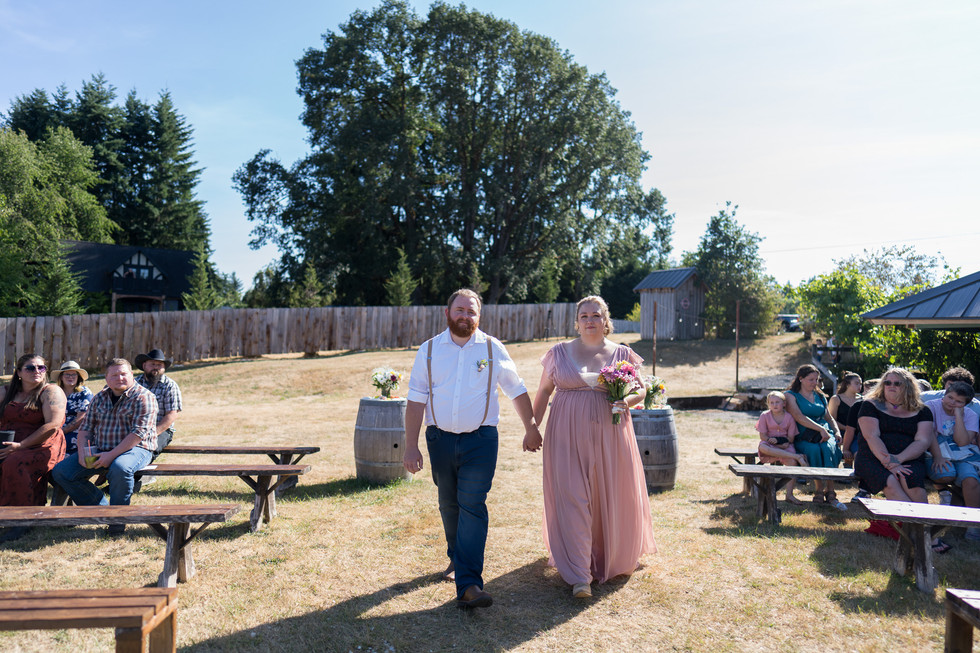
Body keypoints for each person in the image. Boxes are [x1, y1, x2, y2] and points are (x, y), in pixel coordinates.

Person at [402, 289, 541, 609]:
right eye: (460, 310)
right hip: (440, 440)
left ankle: (470, 584)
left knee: (472, 504)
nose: (466, 316)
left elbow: (516, 389)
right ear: (447, 313)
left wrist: (530, 427)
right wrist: (411, 446)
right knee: (449, 504)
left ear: (480, 317)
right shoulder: (429, 351)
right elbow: (416, 400)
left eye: (472, 312)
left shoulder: (492, 349)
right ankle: (456, 556)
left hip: (481, 441)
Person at [531, 296, 656, 599]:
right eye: (584, 316)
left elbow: (642, 387)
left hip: (611, 435)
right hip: (564, 435)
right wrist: (531, 428)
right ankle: (579, 575)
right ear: (577, 321)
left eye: (596, 316)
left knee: (607, 496)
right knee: (572, 496)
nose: (590, 321)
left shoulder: (621, 352)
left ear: (605, 320)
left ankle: (607, 555)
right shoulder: (558, 353)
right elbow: (544, 391)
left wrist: (625, 401)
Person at [51, 358, 158, 535]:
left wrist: (111, 455)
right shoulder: (99, 397)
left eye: (124, 374)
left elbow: (138, 434)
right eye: (114, 374)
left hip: (137, 449)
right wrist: (81, 452)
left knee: (120, 468)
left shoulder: (144, 396)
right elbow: (85, 428)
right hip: (101, 447)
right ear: (106, 378)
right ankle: (103, 510)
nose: (120, 378)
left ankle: (117, 522)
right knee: (62, 472)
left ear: (131, 375)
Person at [854, 368, 939, 548]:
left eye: (897, 383)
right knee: (891, 481)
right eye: (887, 382)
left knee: (913, 482)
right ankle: (924, 534)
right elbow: (872, 437)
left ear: (908, 387)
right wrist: (890, 463)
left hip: (909, 457)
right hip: (872, 456)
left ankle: (921, 531)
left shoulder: (922, 410)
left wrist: (898, 460)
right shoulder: (870, 405)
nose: (891, 386)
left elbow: (923, 440)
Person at [0, 354, 67, 542]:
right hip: (8, 442)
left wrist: (21, 445)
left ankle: (22, 519)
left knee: (14, 462)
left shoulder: (50, 392)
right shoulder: (6, 392)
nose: (37, 371)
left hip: (42, 443)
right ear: (19, 372)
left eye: (41, 368)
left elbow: (53, 425)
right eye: (30, 368)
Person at [785, 364, 846, 510]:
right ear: (800, 379)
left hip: (824, 433)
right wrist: (820, 430)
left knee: (829, 447)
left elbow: (830, 418)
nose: (814, 383)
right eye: (810, 379)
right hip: (804, 434)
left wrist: (836, 432)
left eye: (816, 379)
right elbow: (799, 417)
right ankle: (819, 488)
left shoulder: (819, 396)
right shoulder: (791, 395)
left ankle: (830, 489)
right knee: (813, 450)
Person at [924, 381, 980, 540]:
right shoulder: (930, 407)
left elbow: (962, 442)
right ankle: (955, 503)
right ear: (945, 394)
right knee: (947, 473)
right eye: (950, 397)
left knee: (971, 480)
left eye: (958, 401)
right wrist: (938, 456)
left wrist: (958, 416)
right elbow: (929, 434)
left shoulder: (970, 415)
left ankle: (974, 524)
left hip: (963, 454)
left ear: (965, 404)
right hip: (936, 451)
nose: (952, 403)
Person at [756, 391, 807, 505]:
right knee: (763, 447)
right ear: (768, 404)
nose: (775, 405)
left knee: (792, 463)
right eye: (772, 402)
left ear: (784, 403)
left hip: (785, 445)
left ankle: (789, 494)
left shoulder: (789, 417)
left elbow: (791, 438)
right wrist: (772, 442)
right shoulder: (764, 415)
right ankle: (797, 456)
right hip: (769, 445)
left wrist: (781, 443)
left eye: (777, 402)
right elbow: (763, 436)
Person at [134, 348, 182, 456]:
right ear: (144, 365)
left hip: (161, 430)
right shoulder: (134, 384)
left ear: (164, 368)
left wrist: (152, 433)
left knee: (146, 451)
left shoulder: (170, 386)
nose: (156, 367)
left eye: (159, 364)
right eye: (152, 364)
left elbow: (171, 415)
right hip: (135, 429)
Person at [51, 361, 93, 457]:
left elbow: (81, 418)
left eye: (74, 374)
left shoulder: (84, 393)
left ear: (78, 377)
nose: (71, 377)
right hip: (55, 428)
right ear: (61, 377)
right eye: (67, 374)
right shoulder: (54, 391)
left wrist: (61, 431)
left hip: (76, 430)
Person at [828, 371, 862, 465]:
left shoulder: (862, 399)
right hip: (840, 432)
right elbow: (832, 419)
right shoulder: (836, 399)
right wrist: (846, 428)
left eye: (860, 383)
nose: (860, 386)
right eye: (856, 383)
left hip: (857, 432)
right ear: (847, 384)